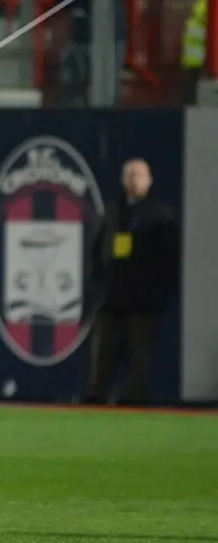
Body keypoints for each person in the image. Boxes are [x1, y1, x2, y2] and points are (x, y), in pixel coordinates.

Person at [83, 158, 179, 405]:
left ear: (149, 180)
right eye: (129, 175)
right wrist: (99, 283)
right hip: (112, 297)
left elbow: (169, 259)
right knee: (102, 351)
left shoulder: (160, 216)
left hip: (143, 299)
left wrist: (156, 290)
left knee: (140, 355)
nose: (133, 180)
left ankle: (133, 397)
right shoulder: (113, 212)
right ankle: (96, 394)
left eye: (139, 175)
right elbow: (97, 250)